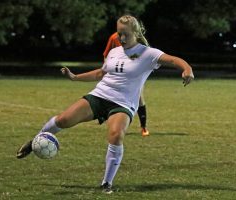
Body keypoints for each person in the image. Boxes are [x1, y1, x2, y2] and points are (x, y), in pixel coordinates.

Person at [16, 15, 194, 194]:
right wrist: (75, 77)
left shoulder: (148, 53)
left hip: (123, 103)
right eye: (119, 34)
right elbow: (101, 73)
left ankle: (106, 183)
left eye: (126, 35)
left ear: (136, 33)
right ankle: (34, 142)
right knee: (63, 120)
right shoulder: (114, 51)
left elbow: (173, 60)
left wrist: (187, 69)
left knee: (116, 135)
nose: (122, 39)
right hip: (100, 95)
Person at [103, 32, 150, 136]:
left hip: (134, 72)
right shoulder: (114, 37)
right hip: (118, 73)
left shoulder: (137, 36)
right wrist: (106, 69)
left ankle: (143, 127)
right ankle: (117, 124)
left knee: (139, 97)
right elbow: (106, 55)